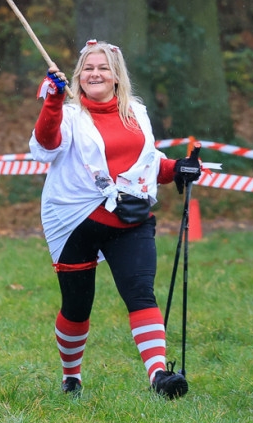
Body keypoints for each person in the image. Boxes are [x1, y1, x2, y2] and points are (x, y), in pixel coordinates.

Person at [29, 40, 201, 399]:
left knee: (141, 293)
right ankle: (71, 376)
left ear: (116, 76)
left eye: (103, 68)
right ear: (78, 76)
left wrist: (176, 168)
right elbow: (46, 146)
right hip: (76, 220)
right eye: (88, 68)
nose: (95, 74)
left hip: (129, 218)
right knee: (77, 306)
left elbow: (146, 164)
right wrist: (53, 102)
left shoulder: (136, 112)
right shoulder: (69, 114)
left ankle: (159, 376)